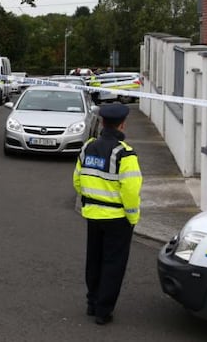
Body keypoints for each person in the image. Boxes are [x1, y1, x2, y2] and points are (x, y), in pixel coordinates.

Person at [73, 103, 142, 324]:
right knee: (113, 264)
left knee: (94, 261)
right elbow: (130, 191)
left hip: (92, 215)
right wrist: (132, 218)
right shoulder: (125, 154)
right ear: (122, 124)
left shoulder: (87, 148)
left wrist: (91, 199)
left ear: (102, 123)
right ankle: (103, 311)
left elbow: (77, 180)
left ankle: (92, 304)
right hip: (117, 219)